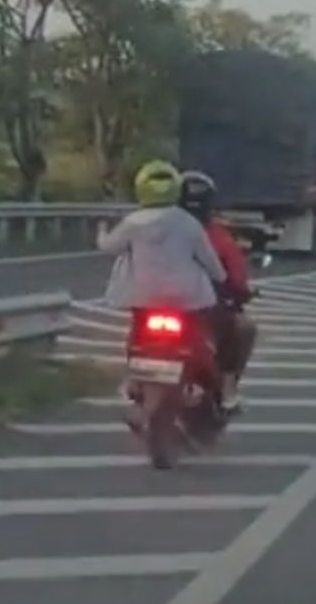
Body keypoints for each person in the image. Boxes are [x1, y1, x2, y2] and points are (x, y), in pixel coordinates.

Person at [97, 161, 228, 441]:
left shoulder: (133, 222)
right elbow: (209, 261)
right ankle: (202, 387)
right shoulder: (188, 222)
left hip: (143, 297)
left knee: (137, 337)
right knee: (197, 339)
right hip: (185, 298)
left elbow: (109, 247)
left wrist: (101, 231)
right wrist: (221, 277)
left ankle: (134, 380)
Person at [178, 170, 259, 414]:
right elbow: (236, 276)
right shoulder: (217, 236)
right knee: (245, 328)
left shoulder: (156, 229)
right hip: (206, 310)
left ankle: (134, 383)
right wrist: (242, 292)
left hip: (154, 301)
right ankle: (228, 390)